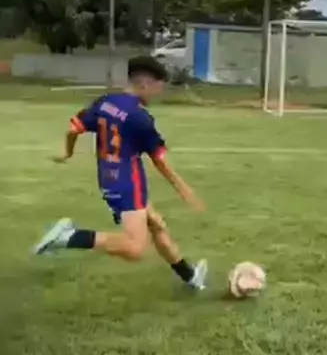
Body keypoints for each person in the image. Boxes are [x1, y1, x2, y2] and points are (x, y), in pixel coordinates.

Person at [33, 56, 207, 290]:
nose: (158, 93)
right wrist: (183, 188)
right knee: (135, 248)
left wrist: (68, 153)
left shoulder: (105, 102)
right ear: (144, 84)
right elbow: (159, 160)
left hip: (109, 178)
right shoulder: (140, 118)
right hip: (128, 183)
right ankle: (69, 237)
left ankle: (191, 276)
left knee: (156, 224)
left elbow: (73, 129)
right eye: (158, 87)